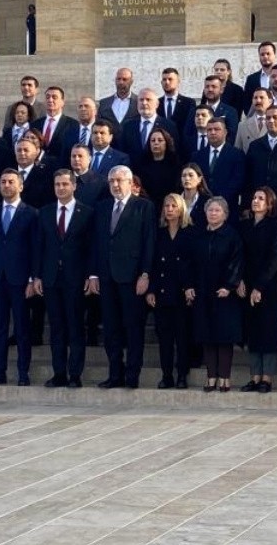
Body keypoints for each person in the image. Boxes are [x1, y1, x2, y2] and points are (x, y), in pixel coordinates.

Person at [91, 166, 156, 389]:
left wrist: (145, 274)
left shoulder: (144, 206)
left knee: (133, 327)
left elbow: (149, 243)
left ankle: (132, 375)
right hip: (107, 276)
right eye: (112, 181)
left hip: (132, 277)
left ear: (130, 182)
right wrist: (94, 274)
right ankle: (114, 374)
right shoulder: (102, 207)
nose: (115, 185)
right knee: (110, 328)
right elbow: (97, 243)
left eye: (119, 181)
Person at [0, 169, 38, 386]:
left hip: (20, 280)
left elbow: (35, 249)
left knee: (22, 327)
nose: (6, 185)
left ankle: (23, 372)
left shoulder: (31, 213)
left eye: (11, 182)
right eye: (3, 182)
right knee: (0, 327)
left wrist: (33, 278)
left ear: (20, 186)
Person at [36, 169, 94, 387]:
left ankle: (75, 374)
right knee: (57, 327)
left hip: (75, 278)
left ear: (74, 186)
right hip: (51, 278)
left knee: (75, 326)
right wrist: (37, 275)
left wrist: (90, 274)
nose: (60, 188)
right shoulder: (45, 212)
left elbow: (90, 248)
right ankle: (59, 372)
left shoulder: (86, 212)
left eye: (64, 184)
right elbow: (39, 246)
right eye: (57, 184)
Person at [185, 197, 244, 392]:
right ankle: (211, 377)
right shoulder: (198, 236)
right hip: (203, 292)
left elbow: (237, 262)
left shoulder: (232, 236)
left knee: (224, 337)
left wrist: (229, 285)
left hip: (224, 294)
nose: (213, 214)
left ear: (225, 214)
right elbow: (190, 263)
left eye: (217, 211)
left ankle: (224, 378)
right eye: (210, 210)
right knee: (207, 335)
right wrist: (189, 285)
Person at [238, 187, 277, 392]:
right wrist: (238, 280)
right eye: (254, 197)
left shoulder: (276, 227)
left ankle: (267, 378)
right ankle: (255, 376)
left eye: (261, 198)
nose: (255, 201)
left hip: (268, 286)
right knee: (252, 331)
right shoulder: (245, 226)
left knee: (268, 332)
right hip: (246, 284)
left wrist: (259, 286)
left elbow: (274, 260)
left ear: (269, 204)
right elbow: (239, 255)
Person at [147, 193, 194, 389]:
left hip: (183, 292)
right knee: (164, 337)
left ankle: (182, 374)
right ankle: (167, 375)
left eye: (173, 206)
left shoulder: (190, 233)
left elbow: (194, 263)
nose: (169, 209)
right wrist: (151, 289)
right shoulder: (159, 233)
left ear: (181, 208)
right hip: (163, 291)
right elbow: (153, 264)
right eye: (166, 206)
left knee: (182, 337)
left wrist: (190, 286)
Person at [194, 117, 245, 213]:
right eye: (209, 130)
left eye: (216, 129)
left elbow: (237, 181)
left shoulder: (237, 155)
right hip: (202, 206)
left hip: (227, 207)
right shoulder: (197, 155)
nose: (212, 132)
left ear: (225, 132)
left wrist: (219, 200)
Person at [135, 128, 181, 201]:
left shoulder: (175, 162)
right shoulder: (142, 163)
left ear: (166, 142)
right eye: (153, 140)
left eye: (160, 140)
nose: (156, 143)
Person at [178, 163, 211, 227]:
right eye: (184, 175)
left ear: (199, 179)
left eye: (191, 175)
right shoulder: (175, 200)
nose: (187, 178)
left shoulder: (207, 201)